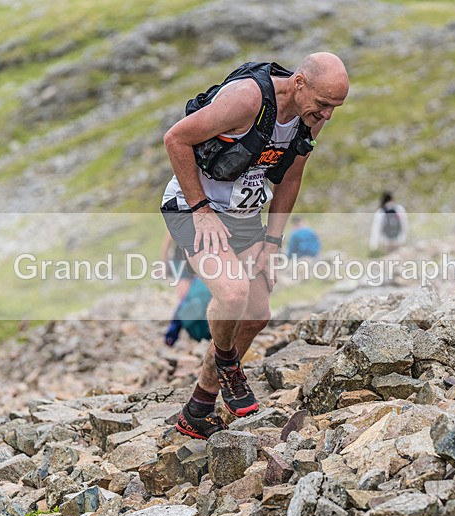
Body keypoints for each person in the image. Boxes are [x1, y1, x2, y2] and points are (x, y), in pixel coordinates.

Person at [161, 53, 349, 439]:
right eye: (324, 104)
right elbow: (175, 138)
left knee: (257, 313)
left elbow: (291, 179)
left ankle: (199, 407)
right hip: (194, 208)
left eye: (336, 107)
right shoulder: (247, 99)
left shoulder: (308, 118)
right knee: (232, 294)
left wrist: (272, 242)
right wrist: (200, 209)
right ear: (299, 83)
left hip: (245, 217)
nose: (328, 115)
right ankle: (228, 361)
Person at [165, 276, 213, 346]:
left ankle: (170, 338)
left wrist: (170, 336)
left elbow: (179, 314)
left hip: (201, 330)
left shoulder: (197, 285)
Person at [369, 191, 408, 255]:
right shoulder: (399, 209)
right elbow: (404, 224)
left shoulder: (380, 211)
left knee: (388, 260)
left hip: (385, 241)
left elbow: (376, 228)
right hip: (398, 239)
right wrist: (404, 238)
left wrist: (374, 244)